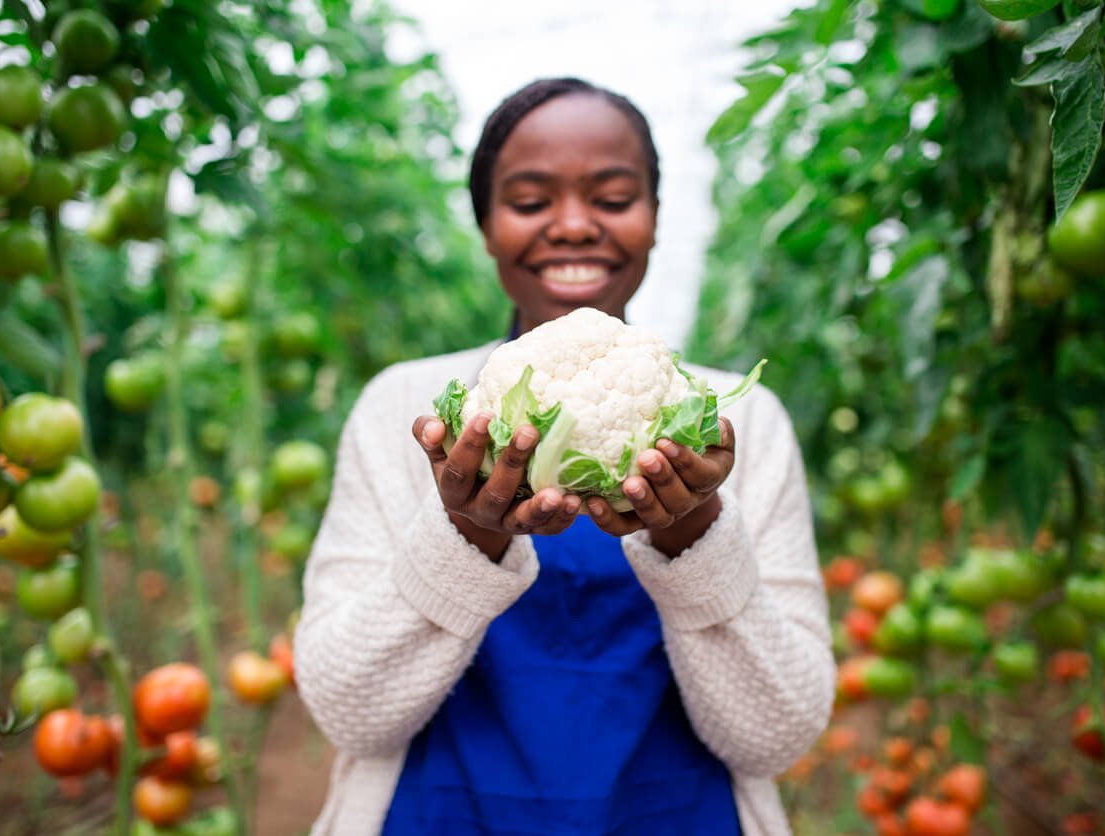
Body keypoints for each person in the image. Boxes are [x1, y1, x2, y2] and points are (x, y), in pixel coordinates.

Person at [295, 77, 835, 836]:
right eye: (530, 200)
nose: (575, 225)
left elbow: (778, 734)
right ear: (486, 226)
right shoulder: (401, 405)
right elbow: (347, 712)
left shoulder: (743, 423)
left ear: (653, 220)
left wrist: (696, 531)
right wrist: (466, 534)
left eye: (614, 198)